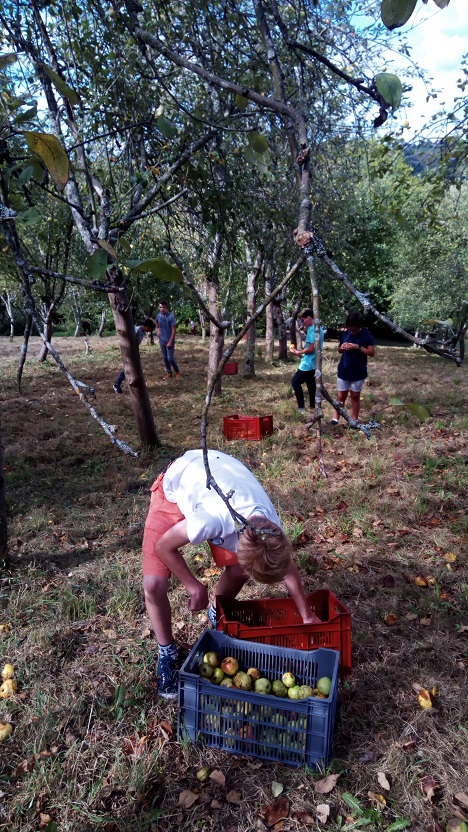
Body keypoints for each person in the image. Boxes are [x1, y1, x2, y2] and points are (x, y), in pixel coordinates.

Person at [142, 449, 321, 699]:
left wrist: (307, 614)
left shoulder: (269, 529)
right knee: (153, 584)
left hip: (220, 478)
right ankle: (167, 652)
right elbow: (164, 546)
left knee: (238, 570)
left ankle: (218, 612)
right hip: (176, 486)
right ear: (237, 544)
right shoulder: (210, 520)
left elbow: (284, 565)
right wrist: (194, 585)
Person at [331, 311, 375, 424]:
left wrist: (358, 347)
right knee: (341, 396)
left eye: (354, 329)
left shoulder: (366, 335)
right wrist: (343, 347)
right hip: (344, 370)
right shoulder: (346, 334)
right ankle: (335, 418)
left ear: (360, 326)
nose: (352, 331)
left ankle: (354, 420)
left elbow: (371, 352)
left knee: (355, 396)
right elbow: (339, 350)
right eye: (350, 329)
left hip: (358, 371)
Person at [290, 308, 325, 414]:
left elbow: (311, 349)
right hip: (314, 362)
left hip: (308, 364)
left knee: (295, 382)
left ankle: (301, 408)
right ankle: (313, 406)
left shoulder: (311, 329)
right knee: (310, 384)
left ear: (309, 318)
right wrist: (300, 354)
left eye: (303, 320)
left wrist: (298, 352)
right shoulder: (320, 329)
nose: (303, 322)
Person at [113, 318, 155, 394]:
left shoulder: (141, 331)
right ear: (147, 326)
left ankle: (138, 385)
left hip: (134, 352)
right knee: (128, 369)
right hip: (130, 352)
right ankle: (117, 384)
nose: (150, 331)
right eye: (151, 329)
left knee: (136, 369)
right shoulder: (136, 330)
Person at [155, 300, 180, 379]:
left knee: (170, 358)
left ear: (166, 307)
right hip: (162, 340)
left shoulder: (171, 317)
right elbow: (156, 323)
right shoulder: (158, 316)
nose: (162, 309)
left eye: (164, 307)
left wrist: (170, 342)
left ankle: (178, 372)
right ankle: (169, 373)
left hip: (169, 341)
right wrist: (157, 330)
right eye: (160, 307)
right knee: (165, 358)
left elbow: (174, 330)